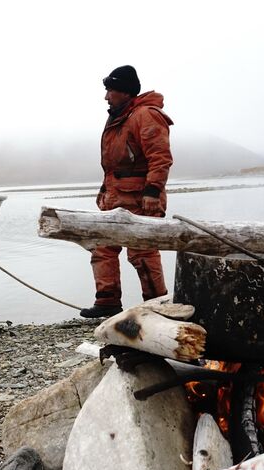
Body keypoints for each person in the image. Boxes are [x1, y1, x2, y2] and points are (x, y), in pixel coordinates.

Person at [80, 65, 174, 318]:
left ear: (125, 92)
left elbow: (160, 157)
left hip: (141, 198)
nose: (106, 96)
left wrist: (153, 191)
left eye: (110, 90)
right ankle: (107, 301)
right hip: (115, 196)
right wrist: (104, 191)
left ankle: (158, 305)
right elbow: (113, 165)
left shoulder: (146, 115)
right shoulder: (118, 117)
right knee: (102, 247)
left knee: (142, 252)